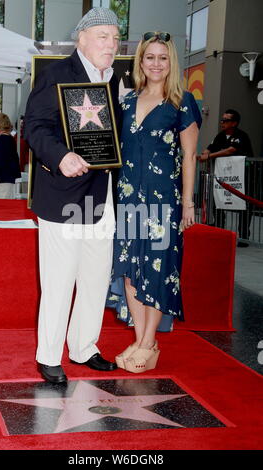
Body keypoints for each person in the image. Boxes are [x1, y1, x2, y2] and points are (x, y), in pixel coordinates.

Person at [24, 7, 121, 384]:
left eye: (114, 38)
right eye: (103, 36)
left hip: (103, 195)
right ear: (81, 38)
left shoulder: (115, 80)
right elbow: (34, 126)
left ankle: (84, 346)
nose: (110, 44)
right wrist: (60, 156)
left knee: (96, 278)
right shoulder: (57, 75)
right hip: (63, 192)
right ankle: (49, 355)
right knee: (59, 279)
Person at [111, 31, 201, 373]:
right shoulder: (127, 102)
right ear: (141, 61)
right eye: (150, 57)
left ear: (171, 63)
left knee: (158, 270)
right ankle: (139, 338)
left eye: (163, 58)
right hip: (129, 200)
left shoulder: (182, 102)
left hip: (164, 202)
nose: (156, 64)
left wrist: (188, 205)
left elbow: (190, 156)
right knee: (131, 272)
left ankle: (150, 343)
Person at [199, 109, 253, 246]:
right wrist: (205, 153)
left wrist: (209, 156)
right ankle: (219, 230)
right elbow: (209, 147)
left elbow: (231, 150)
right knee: (218, 201)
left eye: (226, 120)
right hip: (223, 179)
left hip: (241, 178)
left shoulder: (241, 135)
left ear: (234, 123)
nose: (222, 122)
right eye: (222, 119)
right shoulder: (220, 136)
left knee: (244, 206)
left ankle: (244, 236)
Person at [0, 113, 21, 199]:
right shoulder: (10, 139)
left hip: (2, 180)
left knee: (1, 207)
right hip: (9, 178)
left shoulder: (2, 139)